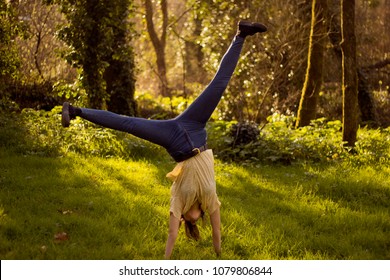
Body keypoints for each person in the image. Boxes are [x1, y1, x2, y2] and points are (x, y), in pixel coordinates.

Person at [61, 20, 267, 259]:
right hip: (196, 127)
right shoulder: (211, 201)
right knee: (219, 84)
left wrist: (166, 262)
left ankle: (76, 111)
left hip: (175, 141)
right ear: (199, 216)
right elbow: (217, 230)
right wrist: (219, 254)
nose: (188, 217)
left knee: (127, 123)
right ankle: (242, 34)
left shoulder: (179, 202)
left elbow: (171, 235)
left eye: (185, 219)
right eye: (193, 218)